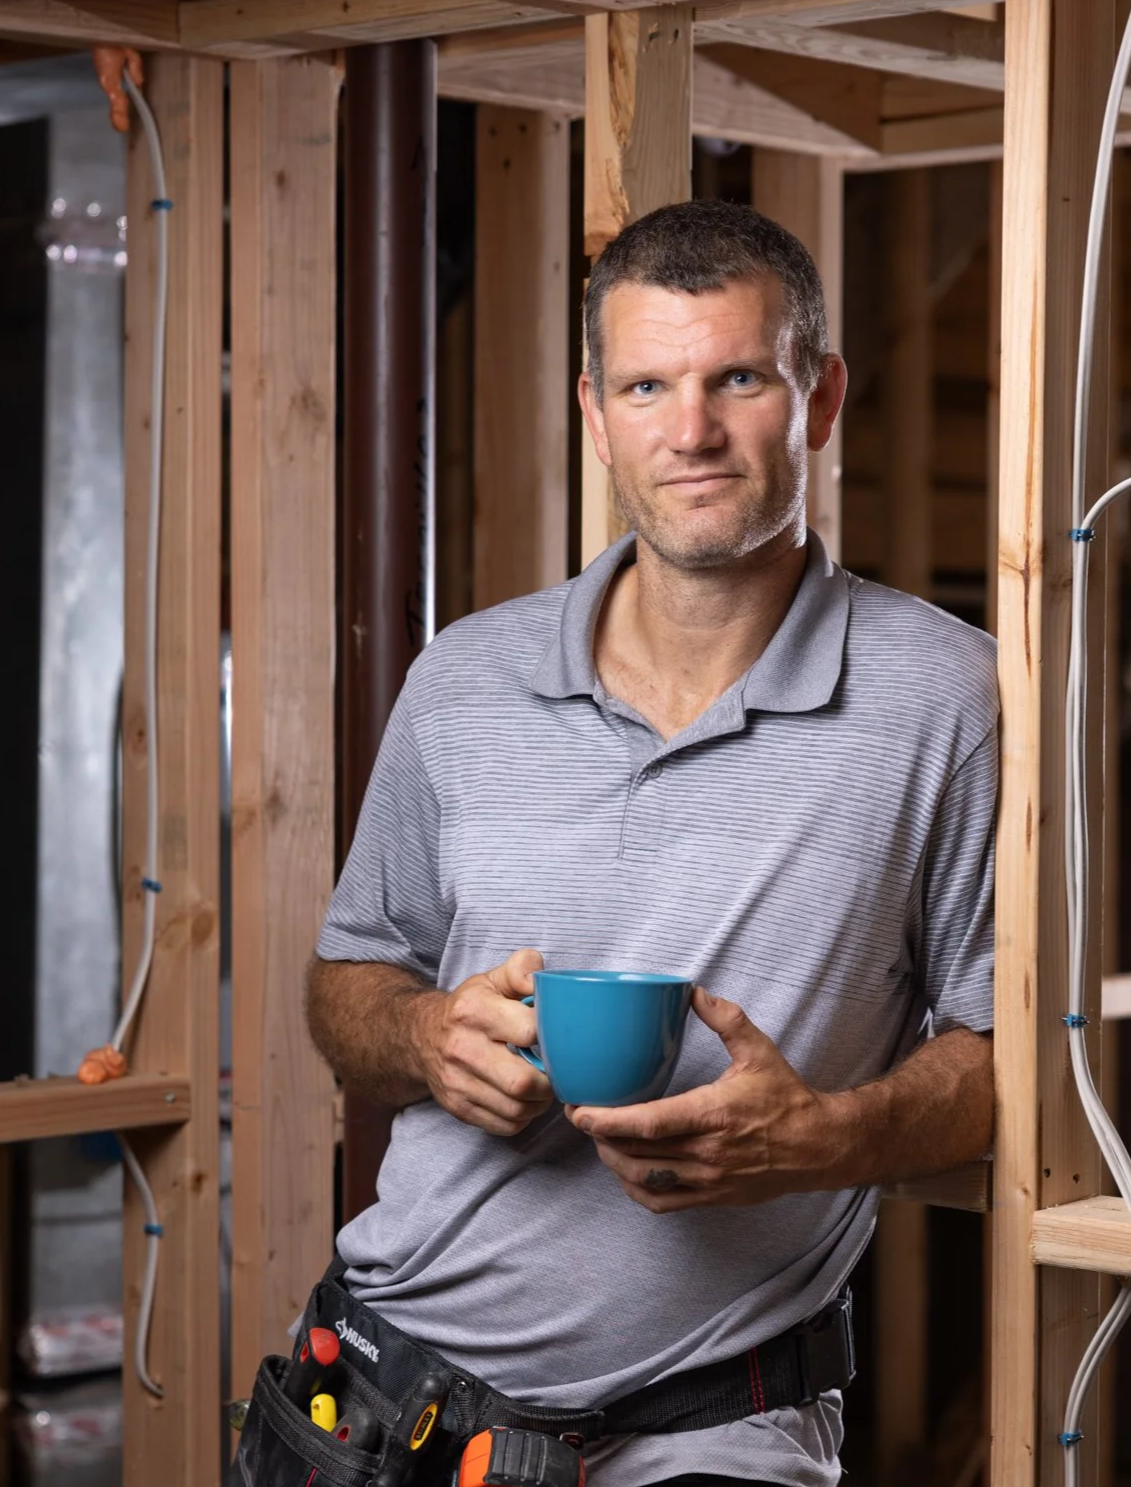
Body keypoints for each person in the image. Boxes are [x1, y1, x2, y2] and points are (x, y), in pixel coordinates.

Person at [306, 199, 996, 1487]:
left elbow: (1008, 1048)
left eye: (738, 377)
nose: (691, 432)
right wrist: (421, 1035)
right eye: (646, 384)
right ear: (593, 411)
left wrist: (829, 1136)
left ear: (821, 395)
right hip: (388, 1389)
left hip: (716, 1425)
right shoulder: (465, 677)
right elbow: (347, 984)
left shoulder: (947, 699)